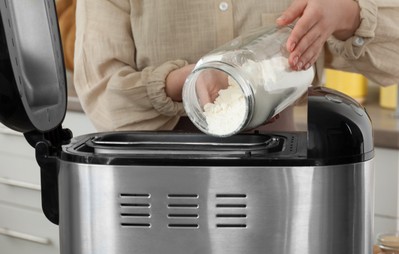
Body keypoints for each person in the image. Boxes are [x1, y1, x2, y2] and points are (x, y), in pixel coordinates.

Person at [74, 0, 399, 132]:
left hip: (282, 170)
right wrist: (187, 83)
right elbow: (102, 95)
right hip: (159, 182)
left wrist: (347, 14)